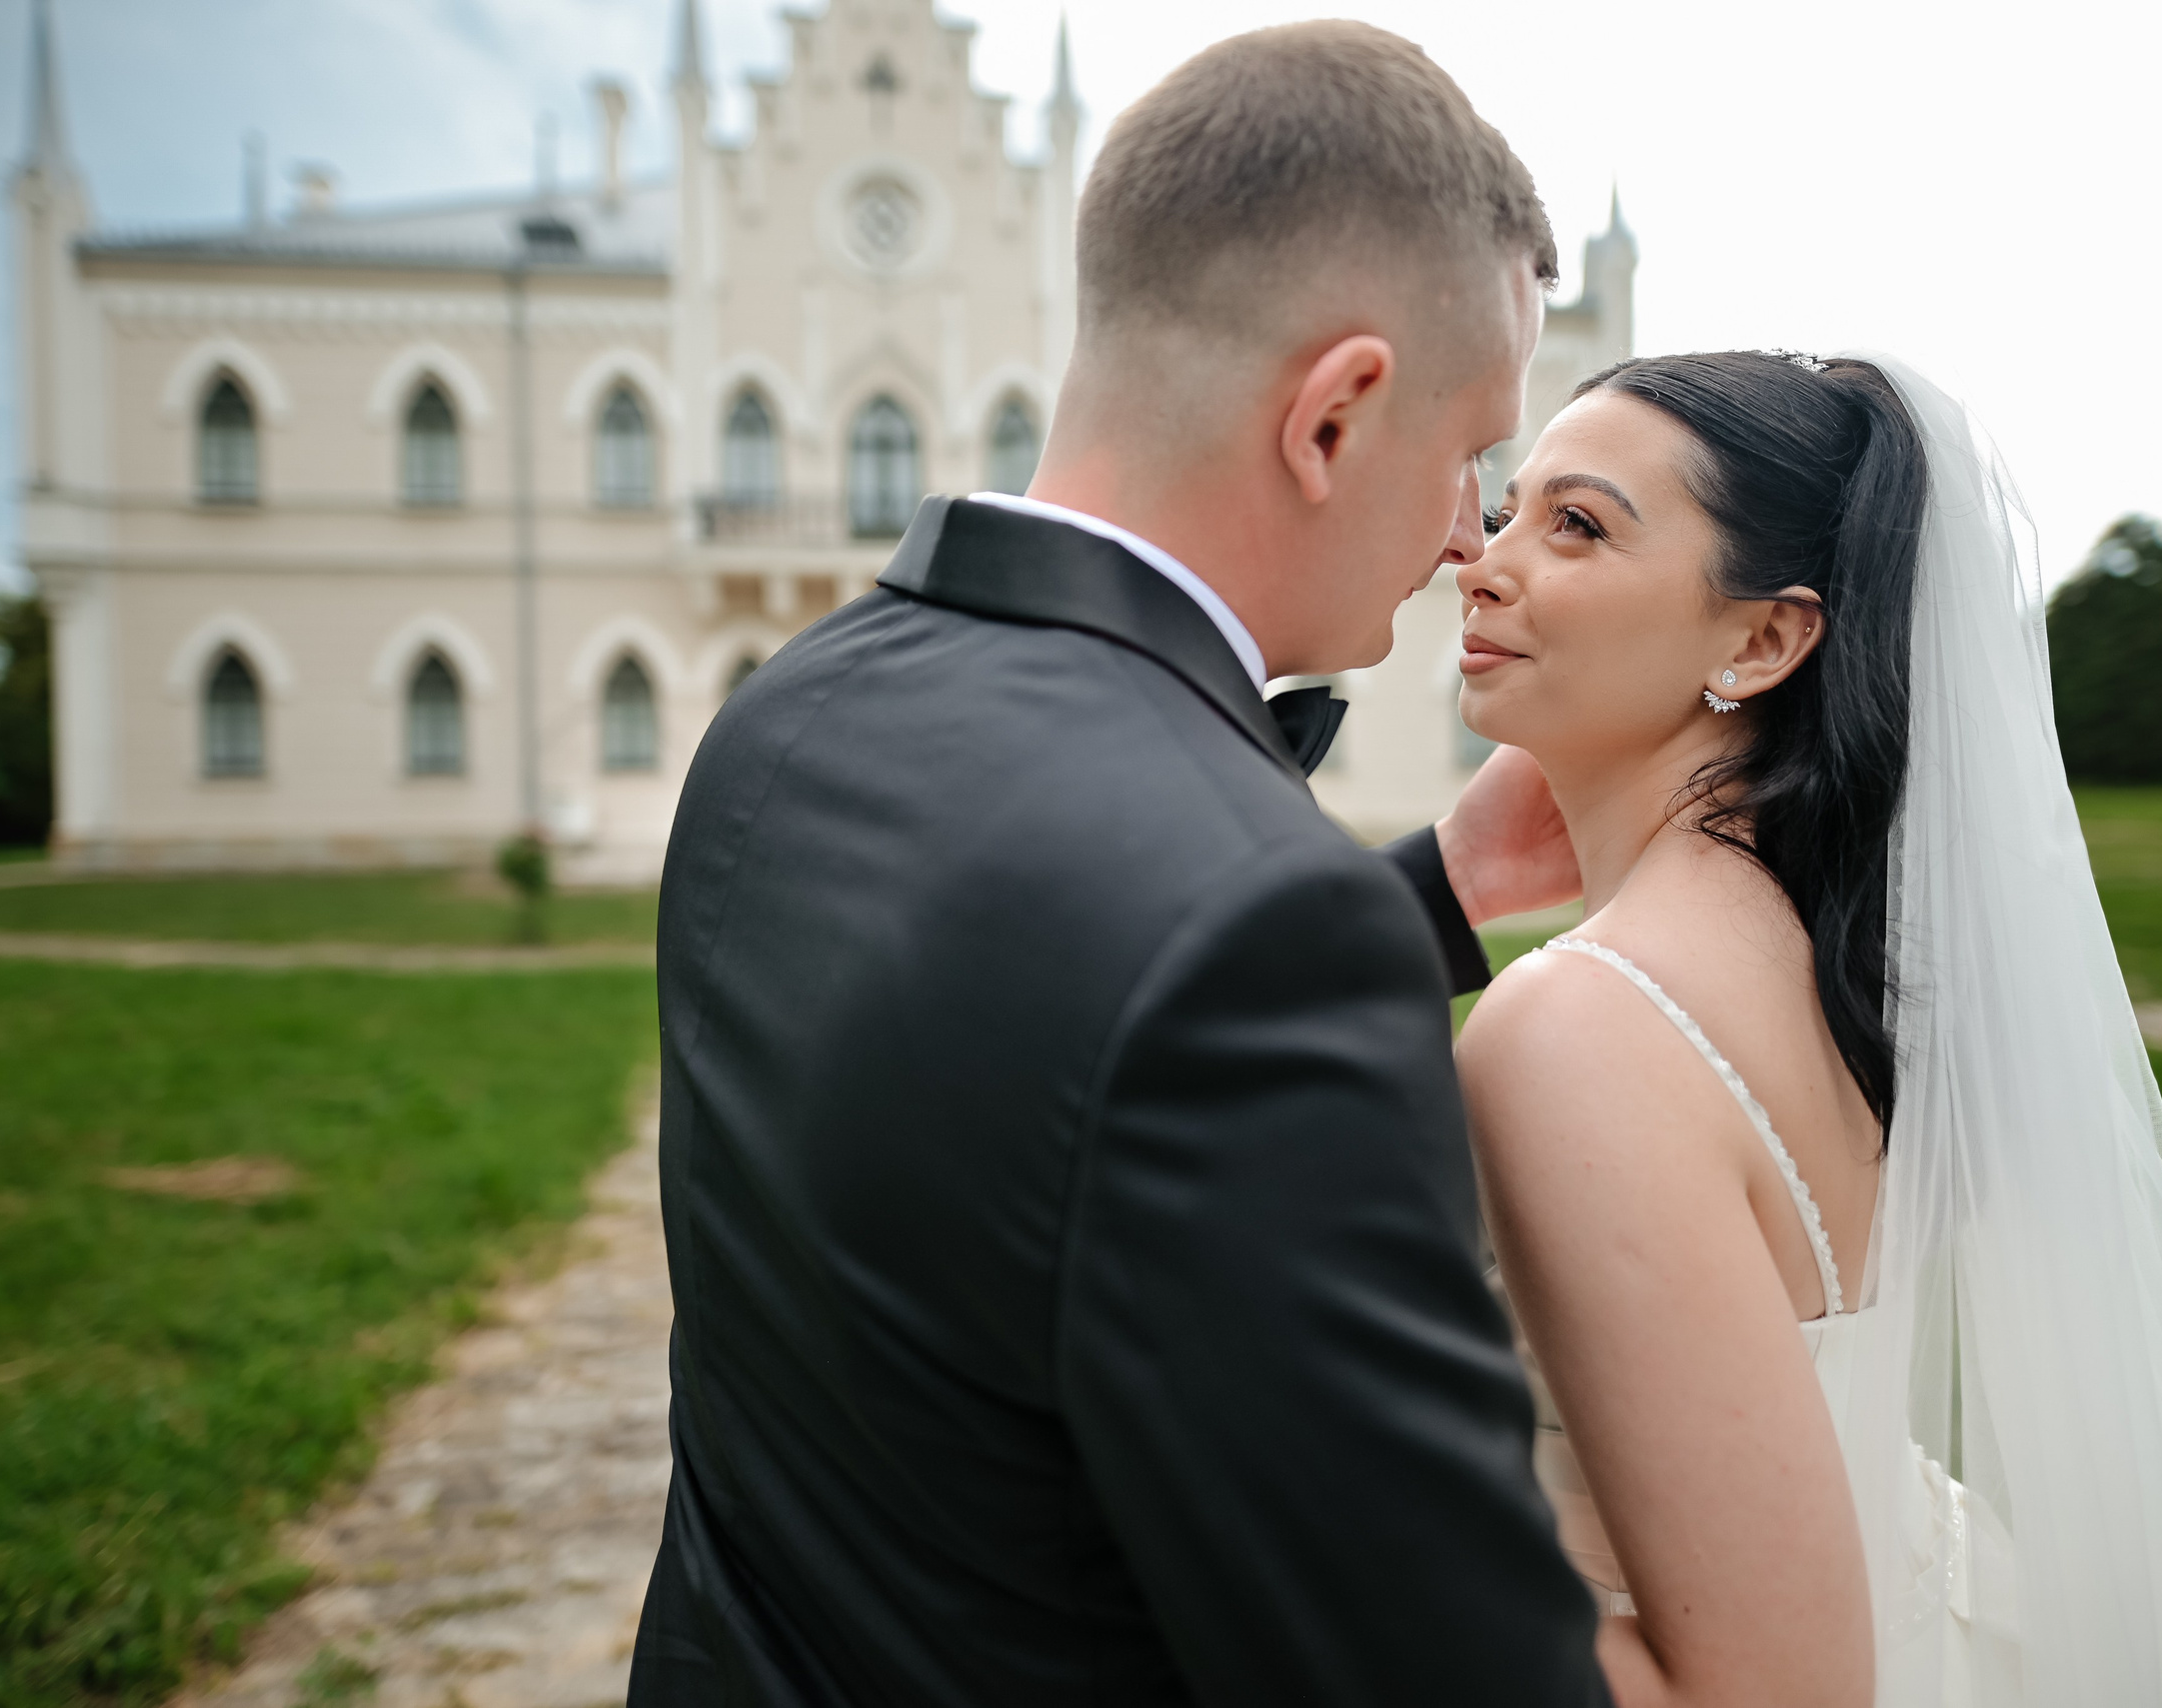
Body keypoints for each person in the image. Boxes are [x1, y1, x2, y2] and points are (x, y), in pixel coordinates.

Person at [630, 23, 1611, 1705]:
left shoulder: (787, 719)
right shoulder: (1255, 938)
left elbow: (1003, 1061)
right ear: (1334, 416)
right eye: (1470, 457)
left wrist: (1434, 895)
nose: (1471, 534)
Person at [1457, 350, 2162, 1707]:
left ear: (1762, 640)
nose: (1484, 561)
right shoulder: (1843, 963)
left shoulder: (1579, 1025)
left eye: (1578, 524)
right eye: (1510, 507)